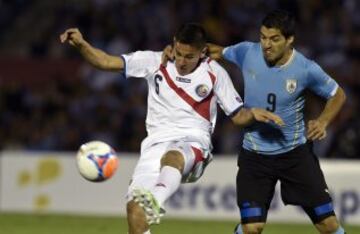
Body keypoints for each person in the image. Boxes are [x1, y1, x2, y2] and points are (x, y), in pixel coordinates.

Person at [60, 23, 283, 234]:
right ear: (174, 43)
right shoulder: (154, 61)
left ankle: (156, 200)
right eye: (179, 53)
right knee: (135, 214)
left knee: (173, 156)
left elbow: (238, 116)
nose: (182, 61)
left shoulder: (215, 73)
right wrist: (82, 44)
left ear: (202, 52)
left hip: (193, 142)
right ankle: (150, 203)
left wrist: (252, 113)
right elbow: (106, 62)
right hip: (154, 145)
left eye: (189, 56)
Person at [206, 10, 347, 234]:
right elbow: (213, 51)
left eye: (274, 39)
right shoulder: (247, 52)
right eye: (263, 37)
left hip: (294, 155)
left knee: (328, 225)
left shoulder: (305, 68)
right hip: (255, 155)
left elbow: (338, 94)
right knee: (252, 228)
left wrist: (322, 121)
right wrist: (180, 50)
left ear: (289, 39)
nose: (266, 45)